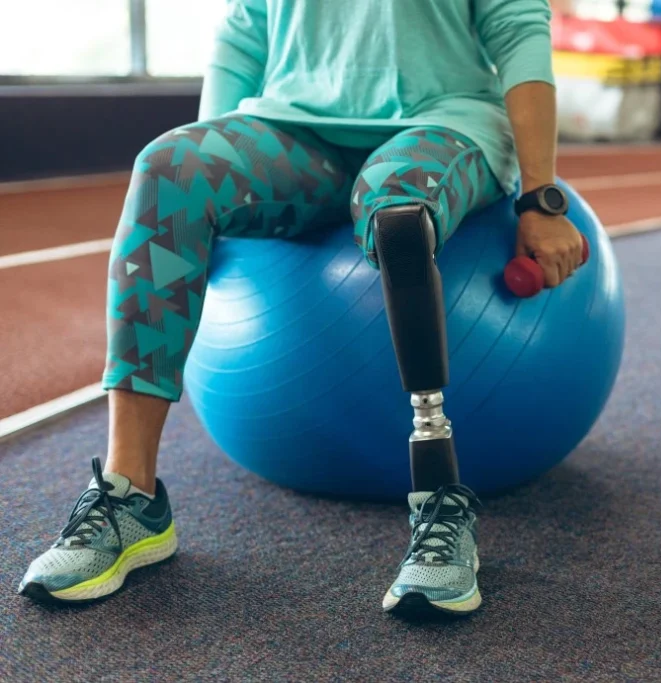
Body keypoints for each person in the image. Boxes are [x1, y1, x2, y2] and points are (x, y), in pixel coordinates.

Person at [18, 0, 584, 616]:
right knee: (169, 169)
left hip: (440, 125)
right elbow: (245, 34)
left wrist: (541, 197)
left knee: (396, 207)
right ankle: (131, 498)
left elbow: (519, 27)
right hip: (295, 132)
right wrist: (213, 204)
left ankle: (441, 501)